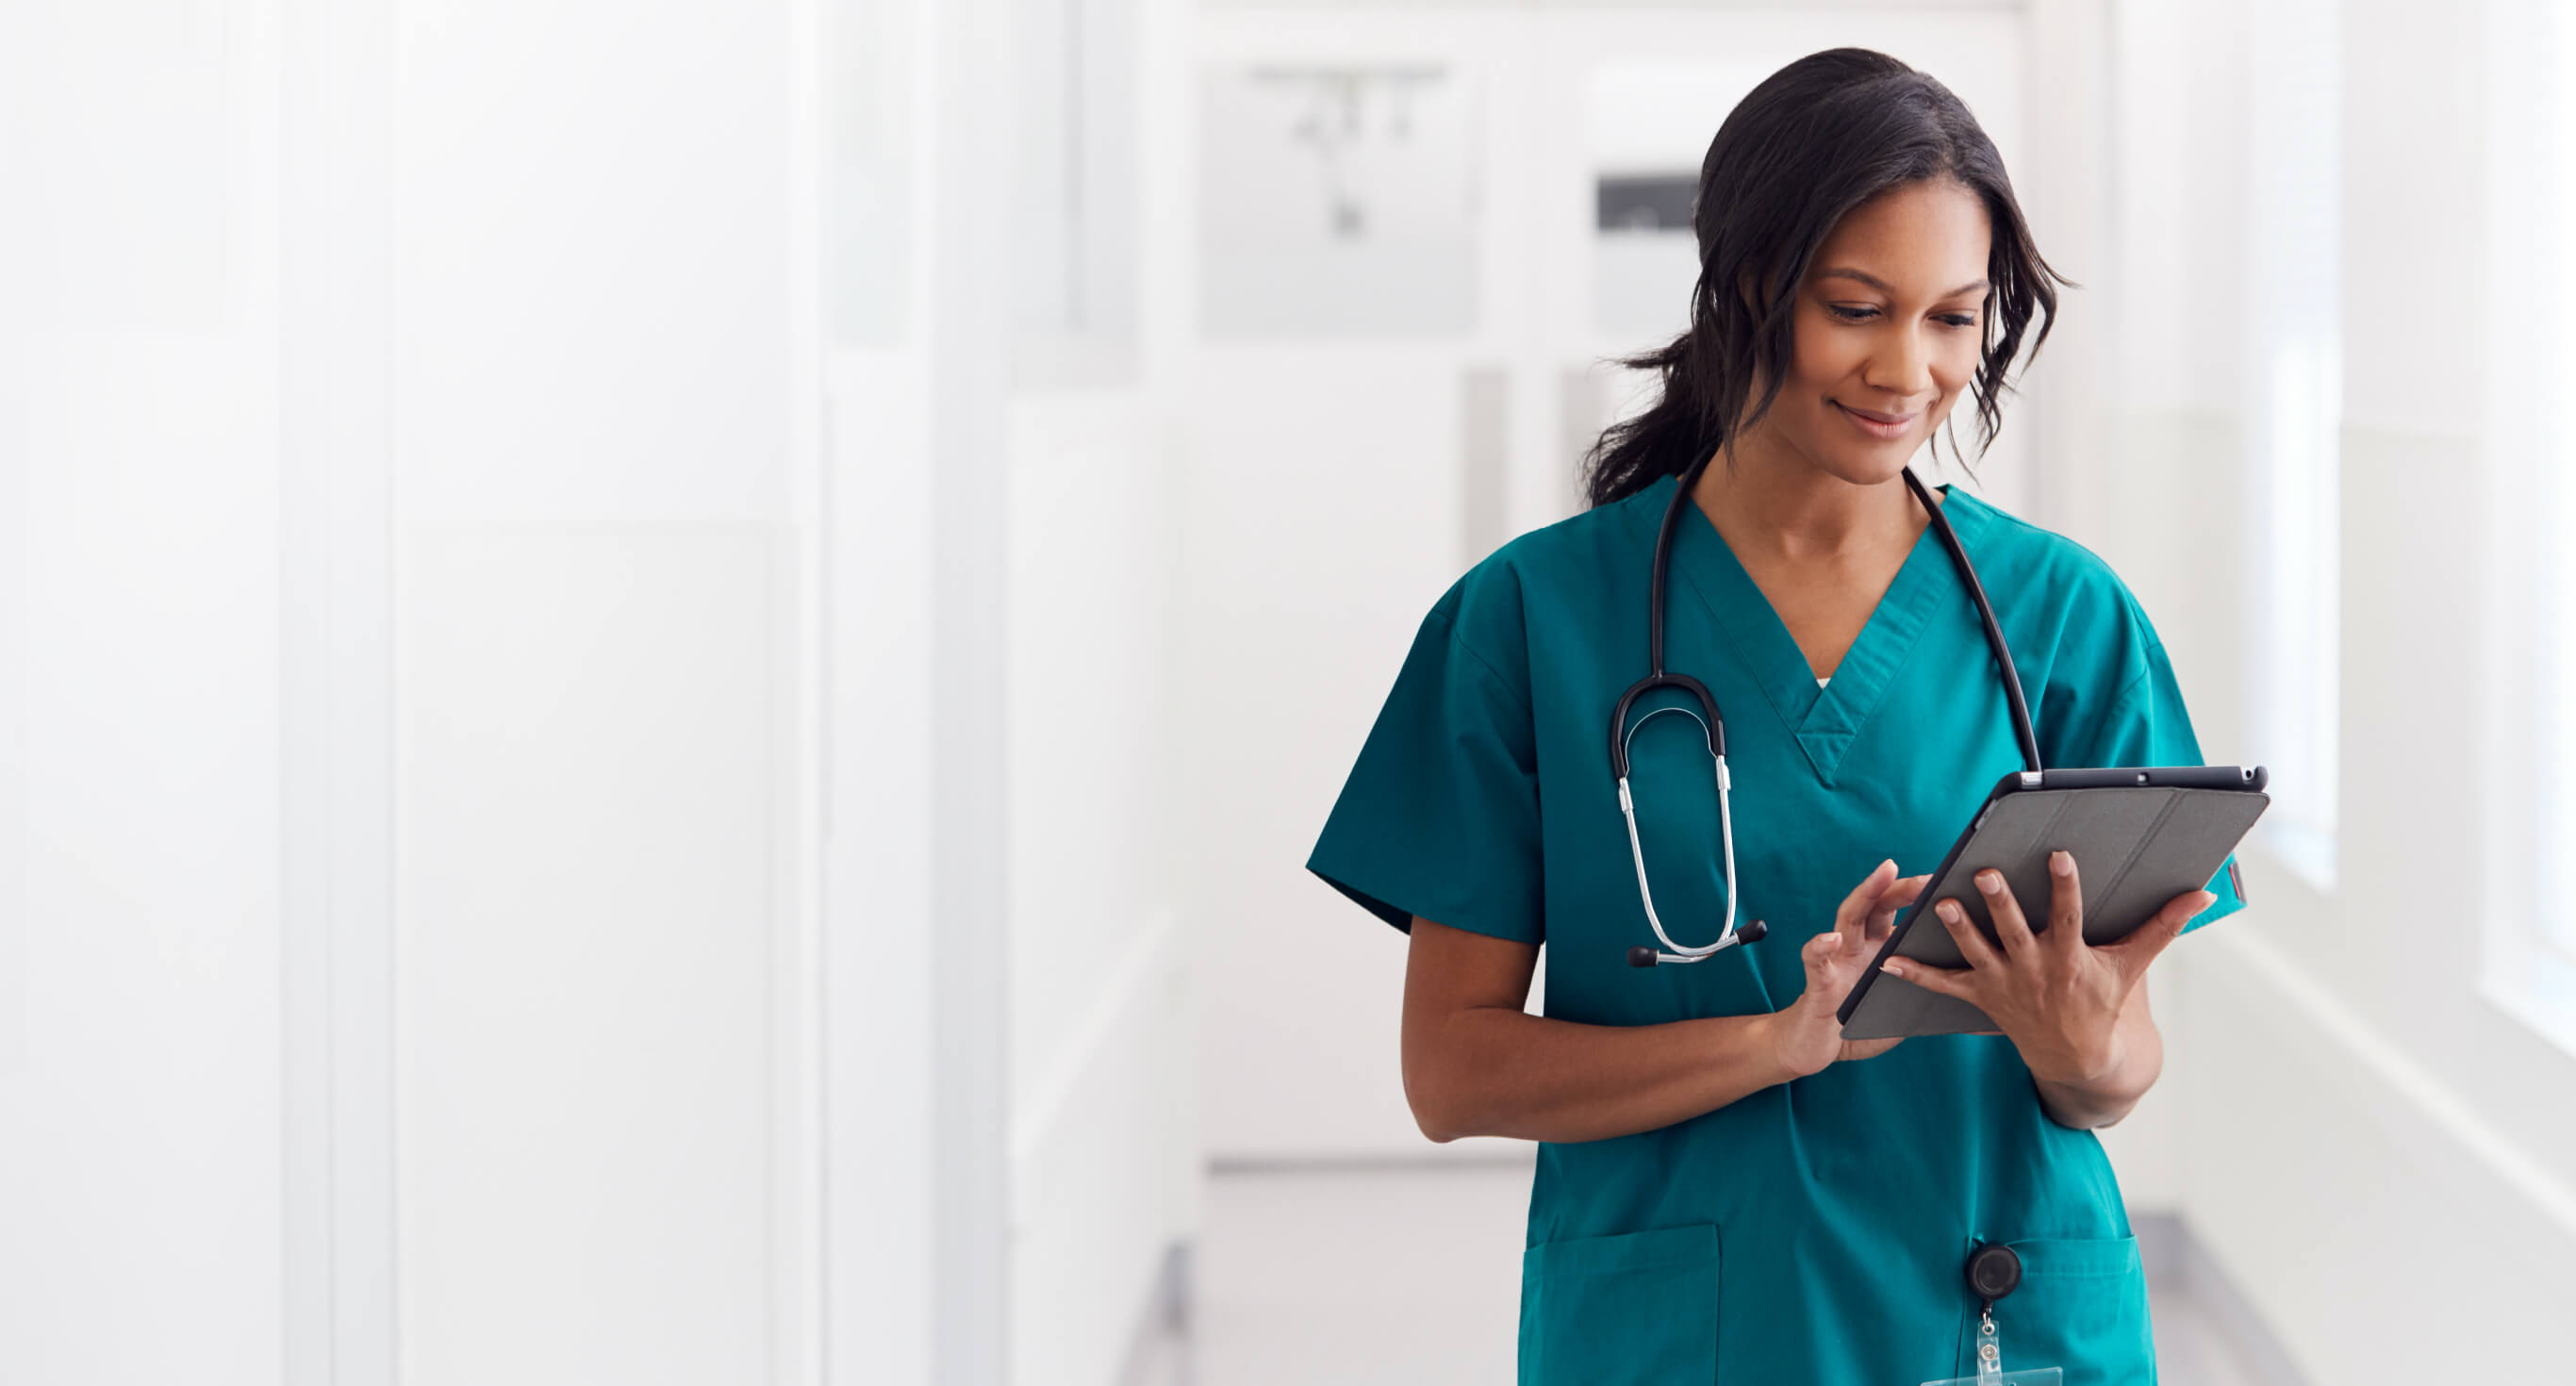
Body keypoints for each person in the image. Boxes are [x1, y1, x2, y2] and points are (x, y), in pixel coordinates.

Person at [1304, 47, 2245, 1386]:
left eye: (1953, 318)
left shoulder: (2064, 621)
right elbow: (1451, 1072)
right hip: (1689, 1330)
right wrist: (1774, 1041)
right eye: (1857, 306)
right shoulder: (1529, 625)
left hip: (1994, 1318)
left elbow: (2114, 1065)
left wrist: (2083, 1041)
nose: (1907, 369)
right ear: (1746, 283)